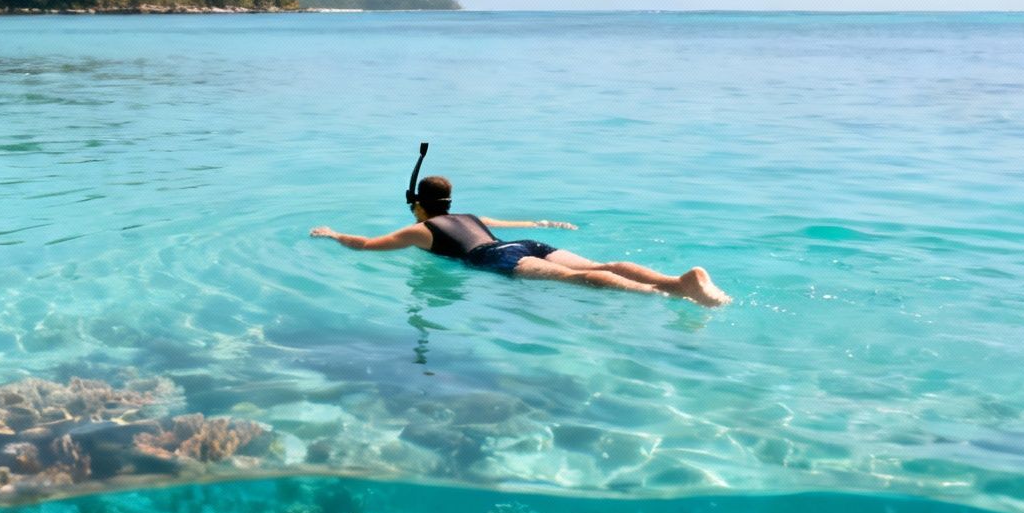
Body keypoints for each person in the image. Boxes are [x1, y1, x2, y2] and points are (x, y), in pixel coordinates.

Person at [310, 175, 731, 307]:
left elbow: (365, 244)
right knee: (597, 265)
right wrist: (549, 222)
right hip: (529, 243)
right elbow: (511, 221)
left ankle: (670, 295)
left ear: (420, 205)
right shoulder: (468, 215)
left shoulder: (421, 230)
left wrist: (333, 235)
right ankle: (677, 281)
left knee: (580, 280)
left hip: (497, 257)